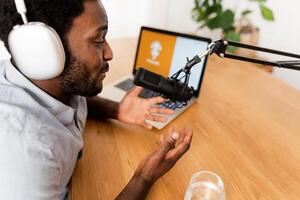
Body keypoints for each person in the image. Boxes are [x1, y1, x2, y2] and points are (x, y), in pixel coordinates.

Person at [0, 0, 193, 199]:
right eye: (98, 41)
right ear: (42, 51)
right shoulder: (26, 163)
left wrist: (116, 110)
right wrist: (144, 177)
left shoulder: (56, 84)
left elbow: (74, 100)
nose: (109, 53)